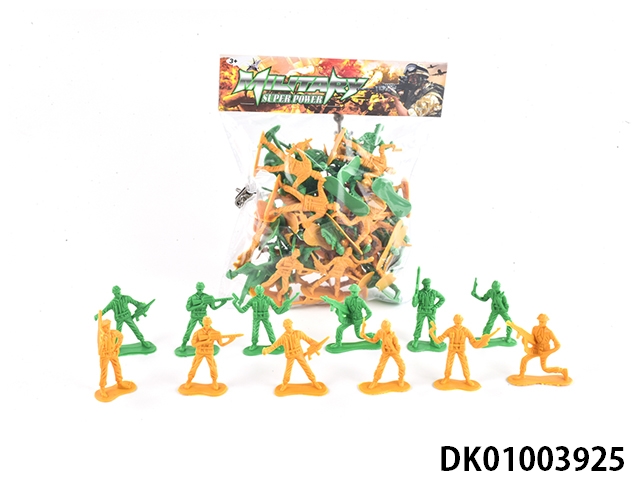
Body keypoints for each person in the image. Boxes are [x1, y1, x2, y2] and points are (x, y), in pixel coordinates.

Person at [429, 314, 495, 386]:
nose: (458, 321)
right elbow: (439, 340)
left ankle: (467, 379)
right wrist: (431, 333)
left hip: (461, 350)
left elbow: (473, 342)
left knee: (464, 363)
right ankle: (446, 377)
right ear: (454, 320)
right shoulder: (450, 330)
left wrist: (482, 342)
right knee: (449, 363)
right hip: (452, 349)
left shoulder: (466, 330)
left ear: (462, 320)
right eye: (456, 319)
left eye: (459, 319)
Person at [262, 319, 324, 391]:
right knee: (288, 370)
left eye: (289, 326)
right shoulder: (283, 337)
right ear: (284, 327)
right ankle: (285, 383)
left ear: (291, 325)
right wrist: (267, 350)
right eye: (286, 327)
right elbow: (275, 345)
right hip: (290, 355)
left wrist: (317, 344)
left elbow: (309, 340)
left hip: (299, 353)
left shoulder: (298, 333)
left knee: (306, 367)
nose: (288, 328)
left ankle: (314, 381)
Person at [183, 316, 241, 390]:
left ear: (211, 323)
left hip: (209, 352)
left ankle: (214, 381)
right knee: (194, 366)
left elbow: (221, 344)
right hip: (199, 352)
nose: (206, 325)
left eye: (208, 323)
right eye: (205, 323)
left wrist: (230, 340)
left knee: (213, 367)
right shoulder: (198, 332)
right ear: (203, 322)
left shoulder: (215, 333)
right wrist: (205, 342)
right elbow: (194, 344)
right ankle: (189, 380)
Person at [231, 285, 294, 351]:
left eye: (260, 290)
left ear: (263, 290)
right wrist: (235, 304)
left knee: (270, 330)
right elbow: (242, 310)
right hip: (256, 317)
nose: (259, 292)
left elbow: (277, 310)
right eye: (258, 290)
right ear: (255, 291)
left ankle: (274, 344)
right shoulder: (252, 300)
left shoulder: (268, 299)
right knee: (255, 331)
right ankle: (254, 344)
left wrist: (285, 308)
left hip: (265, 317)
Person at [507, 314, 569, 380]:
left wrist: (547, 353)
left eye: (542, 322)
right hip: (536, 349)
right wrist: (523, 336)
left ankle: (562, 370)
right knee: (524, 359)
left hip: (544, 351)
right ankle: (521, 375)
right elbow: (533, 339)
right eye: (540, 321)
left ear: (546, 322)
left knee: (545, 368)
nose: (541, 323)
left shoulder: (549, 332)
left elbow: (558, 345)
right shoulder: (534, 328)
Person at [179, 282, 230, 351]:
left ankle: (213, 341)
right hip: (194, 316)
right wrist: (199, 305)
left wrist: (222, 303)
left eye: (201, 289)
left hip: (203, 317)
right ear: (196, 288)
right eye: (198, 289)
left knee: (210, 330)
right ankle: (184, 343)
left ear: (203, 288)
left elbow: (214, 308)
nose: (200, 290)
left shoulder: (207, 297)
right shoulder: (192, 297)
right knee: (189, 330)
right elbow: (188, 309)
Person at [97, 311, 133, 398]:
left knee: (117, 367)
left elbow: (121, 336)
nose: (107, 328)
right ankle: (102, 388)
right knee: (104, 372)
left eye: (108, 326)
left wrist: (117, 347)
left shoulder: (113, 333)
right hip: (105, 355)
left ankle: (120, 382)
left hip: (113, 353)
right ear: (102, 328)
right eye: (105, 327)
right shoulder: (102, 336)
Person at [361, 320, 405, 388]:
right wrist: (365, 337)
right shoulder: (380, 332)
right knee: (380, 366)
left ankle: (401, 379)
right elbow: (374, 340)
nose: (384, 330)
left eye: (386, 328)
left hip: (393, 352)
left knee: (402, 365)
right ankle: (375, 381)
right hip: (385, 352)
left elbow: (397, 351)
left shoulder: (393, 336)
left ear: (389, 327)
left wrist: (390, 343)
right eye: (383, 328)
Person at [411, 277, 445, 348]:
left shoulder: (434, 292)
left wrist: (435, 306)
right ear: (423, 285)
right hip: (421, 311)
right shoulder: (419, 293)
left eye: (428, 285)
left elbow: (442, 299)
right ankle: (416, 339)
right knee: (419, 326)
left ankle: (433, 341)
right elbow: (414, 305)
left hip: (430, 311)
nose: (427, 286)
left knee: (432, 326)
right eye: (425, 285)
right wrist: (415, 297)